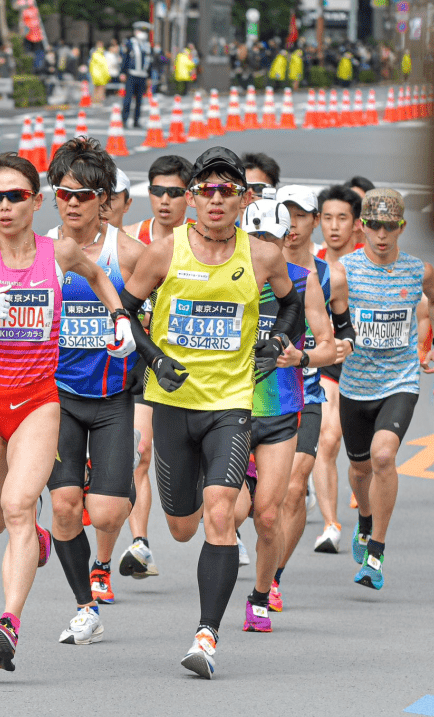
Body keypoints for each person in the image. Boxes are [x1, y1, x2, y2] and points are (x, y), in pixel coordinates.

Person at [0, 152, 135, 671]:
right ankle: (32, 540)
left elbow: (100, 279)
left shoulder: (58, 253)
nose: (6, 206)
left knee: (18, 505)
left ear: (37, 201)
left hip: (38, 402)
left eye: (16, 196)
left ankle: (8, 623)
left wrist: (119, 319)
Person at [119, 147, 305, 678]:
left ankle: (206, 636)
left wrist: (275, 341)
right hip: (175, 403)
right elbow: (124, 310)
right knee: (182, 527)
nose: (216, 199)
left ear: (245, 199)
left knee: (222, 512)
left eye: (228, 190)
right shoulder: (165, 252)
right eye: (207, 190)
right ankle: (194, 496)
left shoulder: (264, 255)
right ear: (194, 197)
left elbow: (290, 304)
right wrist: (154, 356)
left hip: (230, 406)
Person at [41, 138, 144, 640]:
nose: (74, 203)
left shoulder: (126, 253)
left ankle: (89, 498)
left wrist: (137, 341)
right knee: (64, 508)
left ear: (105, 199)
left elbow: (162, 320)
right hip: (56, 397)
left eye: (86, 195)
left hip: (113, 401)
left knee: (104, 511)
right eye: (65, 194)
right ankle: (86, 607)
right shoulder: (39, 252)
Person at [235, 192, 334, 632]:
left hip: (280, 407)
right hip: (228, 406)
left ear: (286, 237)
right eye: (254, 235)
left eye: (269, 237)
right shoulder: (224, 277)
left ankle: (260, 595)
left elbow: (329, 345)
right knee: (232, 511)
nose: (262, 245)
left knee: (269, 514)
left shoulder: (300, 281)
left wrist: (303, 358)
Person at [341, 188, 434, 591]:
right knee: (360, 468)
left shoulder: (419, 271)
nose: (381, 235)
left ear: (402, 227)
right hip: (354, 384)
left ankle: (376, 552)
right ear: (361, 227)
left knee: (384, 457)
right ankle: (365, 519)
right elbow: (320, 310)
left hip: (400, 380)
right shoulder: (344, 270)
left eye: (390, 227)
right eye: (373, 226)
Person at [272, 185, 354, 603]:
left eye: (300, 216)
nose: (291, 225)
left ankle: (273, 580)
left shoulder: (328, 275)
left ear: (314, 221)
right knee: (252, 505)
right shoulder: (255, 267)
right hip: (254, 397)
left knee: (292, 487)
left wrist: (340, 347)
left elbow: (344, 331)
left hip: (305, 394)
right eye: (284, 215)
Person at [116, 155, 193, 582]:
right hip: (138, 359)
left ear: (190, 197)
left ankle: (227, 528)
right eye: (158, 192)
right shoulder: (131, 240)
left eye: (175, 193)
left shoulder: (202, 244)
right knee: (139, 452)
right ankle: (140, 544)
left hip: (186, 365)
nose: (164, 201)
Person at [311, 185, 363, 551]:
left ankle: (369, 521)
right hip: (327, 363)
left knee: (365, 459)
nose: (333, 226)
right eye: (327, 218)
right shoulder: (311, 263)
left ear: (356, 224)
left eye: (341, 218)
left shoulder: (370, 261)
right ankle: (331, 524)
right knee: (327, 438)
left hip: (369, 367)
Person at [120, 21, 153, 128]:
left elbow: (149, 62)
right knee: (128, 99)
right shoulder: (130, 43)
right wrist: (123, 72)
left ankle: (136, 121)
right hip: (132, 75)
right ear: (135, 31)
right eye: (141, 30)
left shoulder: (147, 46)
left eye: (144, 31)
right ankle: (124, 120)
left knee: (139, 101)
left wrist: (149, 76)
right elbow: (125, 58)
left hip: (142, 76)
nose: (143, 33)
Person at [89, 41, 112, 105]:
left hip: (95, 75)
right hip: (101, 75)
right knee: (101, 89)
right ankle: (98, 102)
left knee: (96, 89)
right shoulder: (102, 56)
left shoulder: (94, 55)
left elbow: (91, 66)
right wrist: (107, 76)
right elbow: (105, 67)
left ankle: (94, 102)